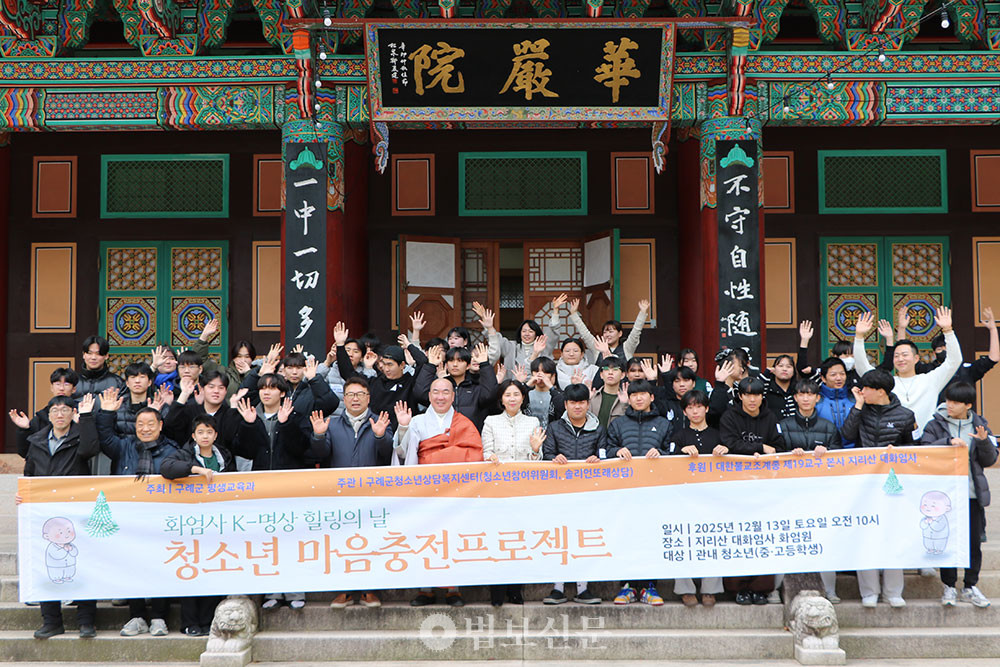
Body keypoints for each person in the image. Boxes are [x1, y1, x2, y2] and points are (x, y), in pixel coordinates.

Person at [11, 394, 99, 639]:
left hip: (76, 509)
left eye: (65, 410)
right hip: (44, 512)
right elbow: (29, 473)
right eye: (55, 411)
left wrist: (87, 419)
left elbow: (91, 449)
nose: (60, 415)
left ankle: (86, 621)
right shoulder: (37, 440)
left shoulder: (81, 436)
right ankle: (51, 621)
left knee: (82, 564)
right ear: (48, 416)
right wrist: (23, 495)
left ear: (73, 414)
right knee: (45, 565)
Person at [94, 389, 180, 635]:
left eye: (150, 424)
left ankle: (159, 618)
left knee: (161, 566)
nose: (145, 428)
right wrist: (106, 413)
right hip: (130, 518)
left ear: (160, 425)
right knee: (132, 565)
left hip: (160, 519)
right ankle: (137, 616)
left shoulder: (172, 450)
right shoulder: (124, 446)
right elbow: (105, 438)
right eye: (140, 424)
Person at [396, 378, 483, 607]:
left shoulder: (464, 423)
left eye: (446, 392)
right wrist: (403, 428)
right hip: (425, 490)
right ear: (429, 395)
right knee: (425, 537)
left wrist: (438, 457)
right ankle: (425, 589)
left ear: (453, 396)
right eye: (436, 392)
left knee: (452, 536)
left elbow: (474, 455)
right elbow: (404, 455)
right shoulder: (416, 421)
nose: (440, 397)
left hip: (455, 490)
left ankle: (454, 589)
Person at [309, 376, 394, 609]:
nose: (355, 399)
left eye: (360, 394)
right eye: (350, 395)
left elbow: (387, 455)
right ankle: (343, 591)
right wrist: (318, 435)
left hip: (372, 495)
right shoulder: (332, 424)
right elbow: (320, 454)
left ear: (369, 398)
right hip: (340, 496)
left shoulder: (380, 421)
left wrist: (380, 436)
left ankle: (369, 591)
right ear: (344, 399)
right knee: (341, 542)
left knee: (372, 542)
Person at [840, 369, 916, 608]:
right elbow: (846, 435)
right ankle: (869, 592)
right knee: (865, 534)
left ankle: (893, 592)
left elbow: (912, 448)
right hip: (864, 482)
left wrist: (898, 453)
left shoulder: (905, 415)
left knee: (892, 534)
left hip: (893, 484)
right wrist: (858, 406)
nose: (861, 391)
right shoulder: (860, 410)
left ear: (881, 391)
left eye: (866, 388)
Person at [921, 382, 997, 608]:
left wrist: (983, 442)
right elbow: (924, 450)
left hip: (972, 494)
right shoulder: (936, 424)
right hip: (945, 496)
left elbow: (989, 460)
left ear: (968, 405)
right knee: (948, 541)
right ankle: (949, 585)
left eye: (955, 402)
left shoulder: (981, 425)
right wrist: (947, 442)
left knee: (974, 542)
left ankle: (970, 585)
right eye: (948, 401)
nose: (950, 405)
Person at [160, 414, 234, 635]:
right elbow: (167, 468)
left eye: (209, 432)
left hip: (217, 522)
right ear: (193, 436)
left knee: (215, 569)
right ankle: (189, 623)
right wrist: (196, 470)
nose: (205, 436)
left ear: (215, 435)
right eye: (200, 432)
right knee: (191, 572)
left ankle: (208, 621)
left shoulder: (224, 455)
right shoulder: (184, 454)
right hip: (191, 523)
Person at [606, 379, 673, 606]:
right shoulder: (618, 424)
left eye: (643, 394)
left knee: (651, 539)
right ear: (629, 398)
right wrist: (617, 451)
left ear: (651, 397)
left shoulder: (664, 424)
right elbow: (606, 450)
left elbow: (673, 453)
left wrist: (662, 453)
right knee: (625, 537)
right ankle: (627, 587)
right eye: (634, 394)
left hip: (654, 493)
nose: (638, 398)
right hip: (625, 492)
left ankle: (649, 587)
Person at [481, 380, 545, 606]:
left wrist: (535, 451)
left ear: (523, 398)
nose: (512, 398)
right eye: (508, 394)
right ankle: (496, 590)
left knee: (519, 539)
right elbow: (486, 453)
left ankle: (516, 589)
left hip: (523, 491)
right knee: (498, 539)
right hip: (497, 490)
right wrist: (490, 458)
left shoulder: (532, 422)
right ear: (501, 398)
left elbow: (536, 460)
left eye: (516, 394)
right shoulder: (490, 421)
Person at [541, 383, 605, 605]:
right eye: (572, 402)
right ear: (566, 404)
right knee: (560, 538)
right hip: (560, 492)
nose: (577, 406)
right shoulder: (554, 428)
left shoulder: (598, 428)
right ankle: (557, 588)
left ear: (588, 404)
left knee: (583, 538)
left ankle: (583, 588)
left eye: (581, 402)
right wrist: (554, 458)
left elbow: (604, 454)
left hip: (589, 493)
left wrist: (598, 459)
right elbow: (547, 454)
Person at [852, 307, 961, 435]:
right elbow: (862, 367)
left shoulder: (930, 380)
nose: (900, 359)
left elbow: (954, 361)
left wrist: (948, 331)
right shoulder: (887, 383)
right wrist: (859, 337)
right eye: (896, 356)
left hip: (927, 440)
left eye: (904, 355)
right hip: (895, 442)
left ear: (916, 359)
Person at [670, 390, 726, 606]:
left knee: (712, 540)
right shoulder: (679, 436)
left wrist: (726, 450)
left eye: (699, 406)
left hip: (713, 497)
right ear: (684, 412)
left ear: (706, 409)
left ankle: (710, 589)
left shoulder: (718, 435)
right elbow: (667, 460)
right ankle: (685, 589)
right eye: (690, 407)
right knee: (683, 540)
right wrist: (681, 452)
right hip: (684, 498)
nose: (695, 411)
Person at [334, 321, 428, 429]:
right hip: (376, 432)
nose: (386, 369)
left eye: (390, 365)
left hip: (404, 433)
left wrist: (409, 345)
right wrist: (340, 345)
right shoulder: (375, 382)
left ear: (402, 365)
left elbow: (423, 363)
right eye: (384, 364)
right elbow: (349, 374)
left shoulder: (410, 382)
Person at [415, 343, 497, 431]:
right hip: (442, 435)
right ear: (446, 365)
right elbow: (420, 394)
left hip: (470, 436)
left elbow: (490, 395)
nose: (455, 364)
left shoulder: (476, 388)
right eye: (451, 360)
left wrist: (484, 364)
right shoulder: (440, 387)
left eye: (460, 361)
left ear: (468, 365)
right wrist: (430, 365)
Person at [477, 300, 558, 377]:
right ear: (520, 333)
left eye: (530, 331)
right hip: (513, 385)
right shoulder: (511, 346)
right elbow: (495, 340)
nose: (527, 334)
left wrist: (555, 311)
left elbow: (552, 332)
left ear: (536, 334)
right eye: (524, 331)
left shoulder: (543, 347)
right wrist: (488, 326)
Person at [567, 296, 649, 362]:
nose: (607, 335)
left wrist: (642, 313)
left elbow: (636, 332)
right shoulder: (597, 347)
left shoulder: (627, 347)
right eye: (605, 332)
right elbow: (585, 334)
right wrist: (574, 314)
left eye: (611, 331)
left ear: (620, 333)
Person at [719, 377, 783, 456]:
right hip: (738, 462)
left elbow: (779, 445)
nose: (752, 400)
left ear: (762, 396)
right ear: (740, 396)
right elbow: (730, 444)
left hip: (765, 462)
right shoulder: (729, 417)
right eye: (747, 395)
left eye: (756, 395)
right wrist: (760, 447)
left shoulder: (770, 417)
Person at [815, 357, 857, 448]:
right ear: (823, 378)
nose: (839, 378)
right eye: (833, 375)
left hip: (853, 453)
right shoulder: (816, 401)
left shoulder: (855, 400)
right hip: (825, 452)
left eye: (842, 374)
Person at [523, 357, 564, 429]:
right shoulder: (525, 393)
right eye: (536, 371)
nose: (540, 375)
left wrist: (551, 387)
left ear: (553, 375)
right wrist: (527, 385)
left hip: (552, 434)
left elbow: (563, 409)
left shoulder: (559, 395)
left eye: (545, 372)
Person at [589, 356, 627, 428]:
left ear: (622, 375)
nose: (610, 373)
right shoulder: (592, 397)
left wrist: (626, 404)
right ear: (601, 375)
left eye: (615, 369)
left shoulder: (626, 399)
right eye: (606, 369)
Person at [761, 355, 798, 419]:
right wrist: (765, 374)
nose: (784, 369)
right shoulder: (767, 389)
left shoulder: (798, 390)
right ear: (774, 369)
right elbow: (753, 389)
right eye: (780, 366)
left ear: (793, 371)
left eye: (788, 366)